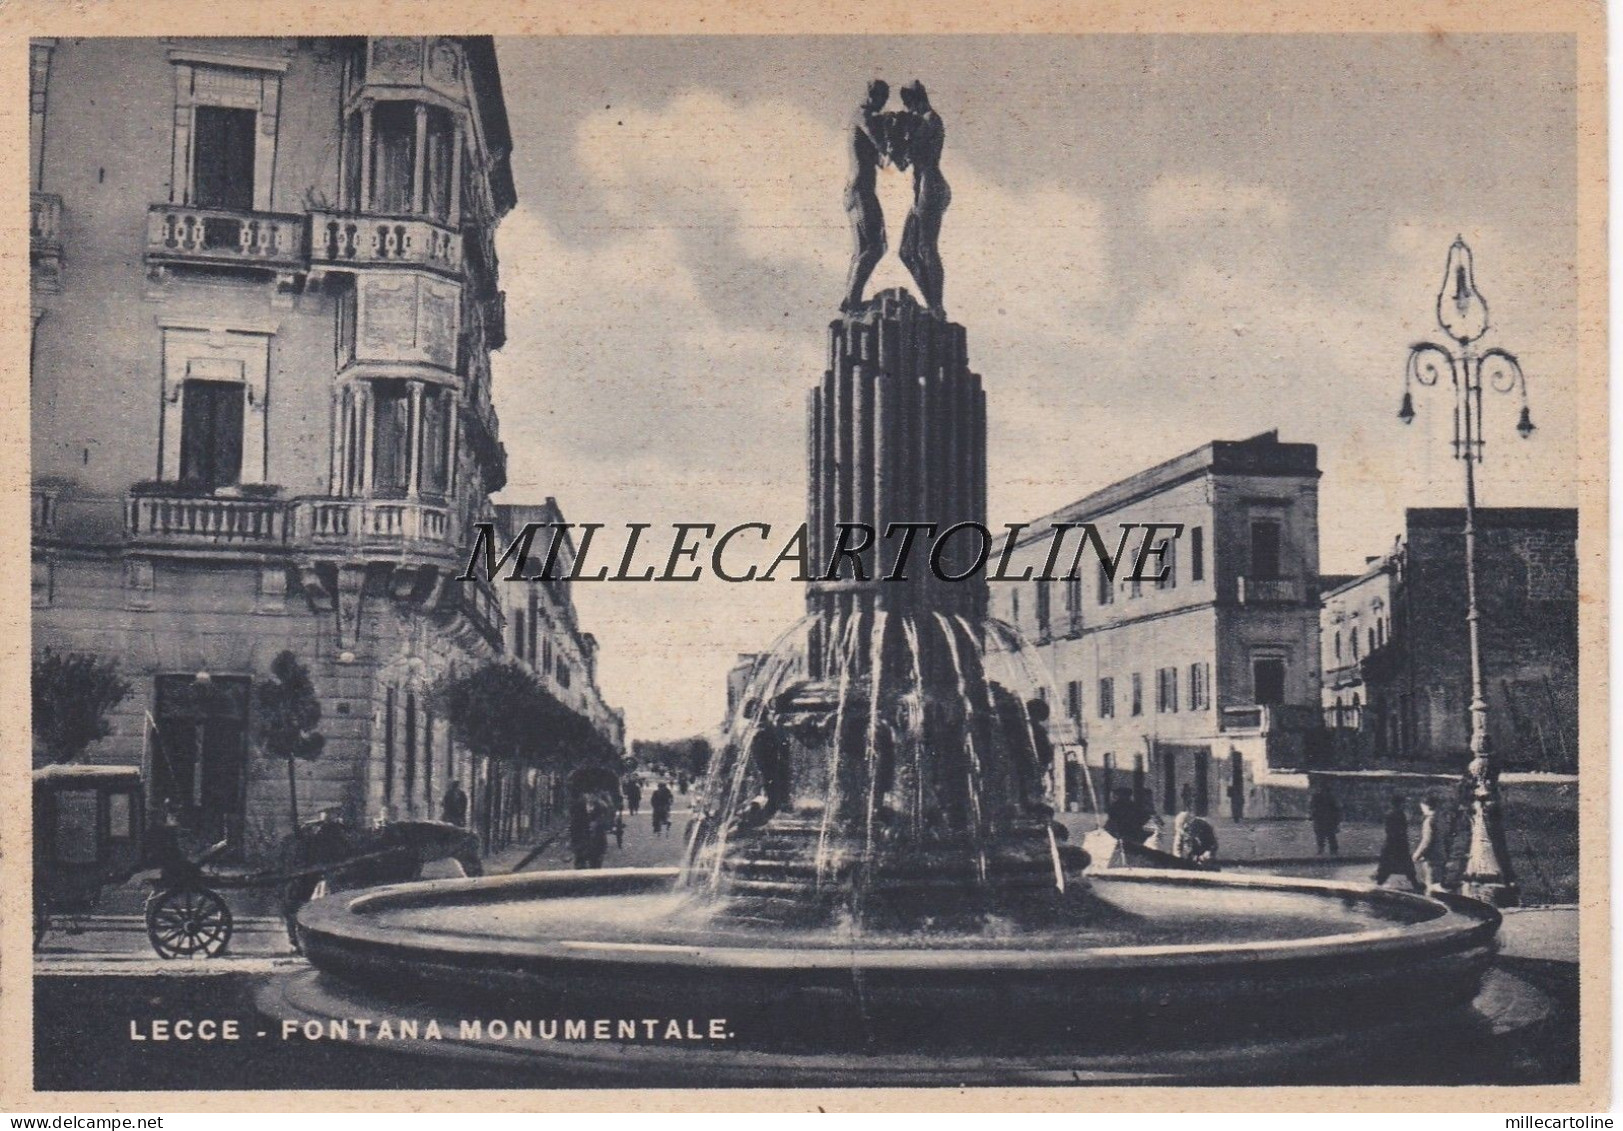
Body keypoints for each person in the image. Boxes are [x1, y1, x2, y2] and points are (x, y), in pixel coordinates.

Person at [895, 80, 951, 317]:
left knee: (927, 247)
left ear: (917, 100)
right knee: (906, 251)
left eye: (908, 104)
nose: (907, 109)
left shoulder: (929, 119)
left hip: (930, 188)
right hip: (922, 191)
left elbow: (907, 156)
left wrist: (900, 134)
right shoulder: (922, 120)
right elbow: (903, 161)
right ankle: (933, 303)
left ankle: (937, 306)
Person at [841, 79, 891, 312]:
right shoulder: (864, 116)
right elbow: (883, 147)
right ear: (872, 95)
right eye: (882, 99)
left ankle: (850, 301)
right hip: (861, 190)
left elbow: (883, 162)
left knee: (863, 249)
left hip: (857, 190)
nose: (883, 105)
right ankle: (852, 301)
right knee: (876, 246)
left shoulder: (861, 116)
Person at [1373, 794, 1423, 892]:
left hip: (1392, 843)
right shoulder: (1399, 814)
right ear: (1400, 803)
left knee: (1387, 866)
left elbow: (1389, 830)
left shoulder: (1391, 814)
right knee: (1406, 866)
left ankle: (1379, 884)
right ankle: (1415, 884)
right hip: (1398, 844)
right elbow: (1400, 831)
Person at [1413, 795, 1450, 893]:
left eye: (1422, 807)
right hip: (1441, 854)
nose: (1422, 809)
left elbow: (1426, 841)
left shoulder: (1429, 821)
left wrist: (1417, 855)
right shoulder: (1441, 819)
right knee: (1436, 883)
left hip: (1431, 857)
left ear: (1426, 806)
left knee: (1432, 885)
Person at [1309, 784, 1341, 856]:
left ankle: (1326, 851)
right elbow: (1337, 809)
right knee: (1327, 836)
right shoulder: (1330, 797)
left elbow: (1312, 807)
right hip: (1325, 819)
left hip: (1324, 819)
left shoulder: (1318, 797)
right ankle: (1329, 851)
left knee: (1326, 836)